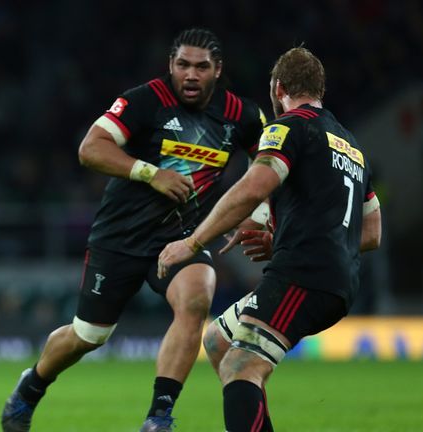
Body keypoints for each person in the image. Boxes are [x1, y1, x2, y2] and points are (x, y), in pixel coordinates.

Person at [1, 28, 265, 432]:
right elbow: (90, 148)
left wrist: (258, 214)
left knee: (196, 301)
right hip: (119, 238)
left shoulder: (241, 115)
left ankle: (159, 417)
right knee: (89, 335)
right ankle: (33, 384)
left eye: (201, 67)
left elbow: (267, 164)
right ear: (170, 66)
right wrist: (149, 172)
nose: (190, 75)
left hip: (181, 237)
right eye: (182, 65)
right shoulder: (146, 100)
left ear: (218, 70)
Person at [157, 47, 382, 431]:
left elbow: (253, 187)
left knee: (240, 365)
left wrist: (193, 242)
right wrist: (281, 238)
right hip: (332, 275)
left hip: (304, 276)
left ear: (278, 89)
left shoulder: (287, 128)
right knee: (218, 341)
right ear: (320, 89)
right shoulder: (351, 144)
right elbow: (373, 232)